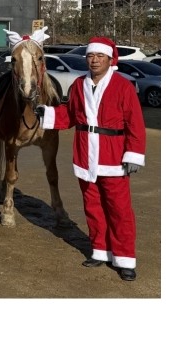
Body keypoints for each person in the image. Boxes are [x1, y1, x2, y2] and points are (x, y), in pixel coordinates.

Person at [35, 36, 146, 281]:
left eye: (99, 57)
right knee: (93, 207)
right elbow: (70, 114)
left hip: (113, 156)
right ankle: (100, 251)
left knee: (119, 210)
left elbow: (136, 125)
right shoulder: (78, 85)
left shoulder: (123, 86)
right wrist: (48, 113)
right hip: (86, 155)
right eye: (90, 56)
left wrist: (133, 155)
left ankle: (124, 258)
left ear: (109, 59)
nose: (94, 61)